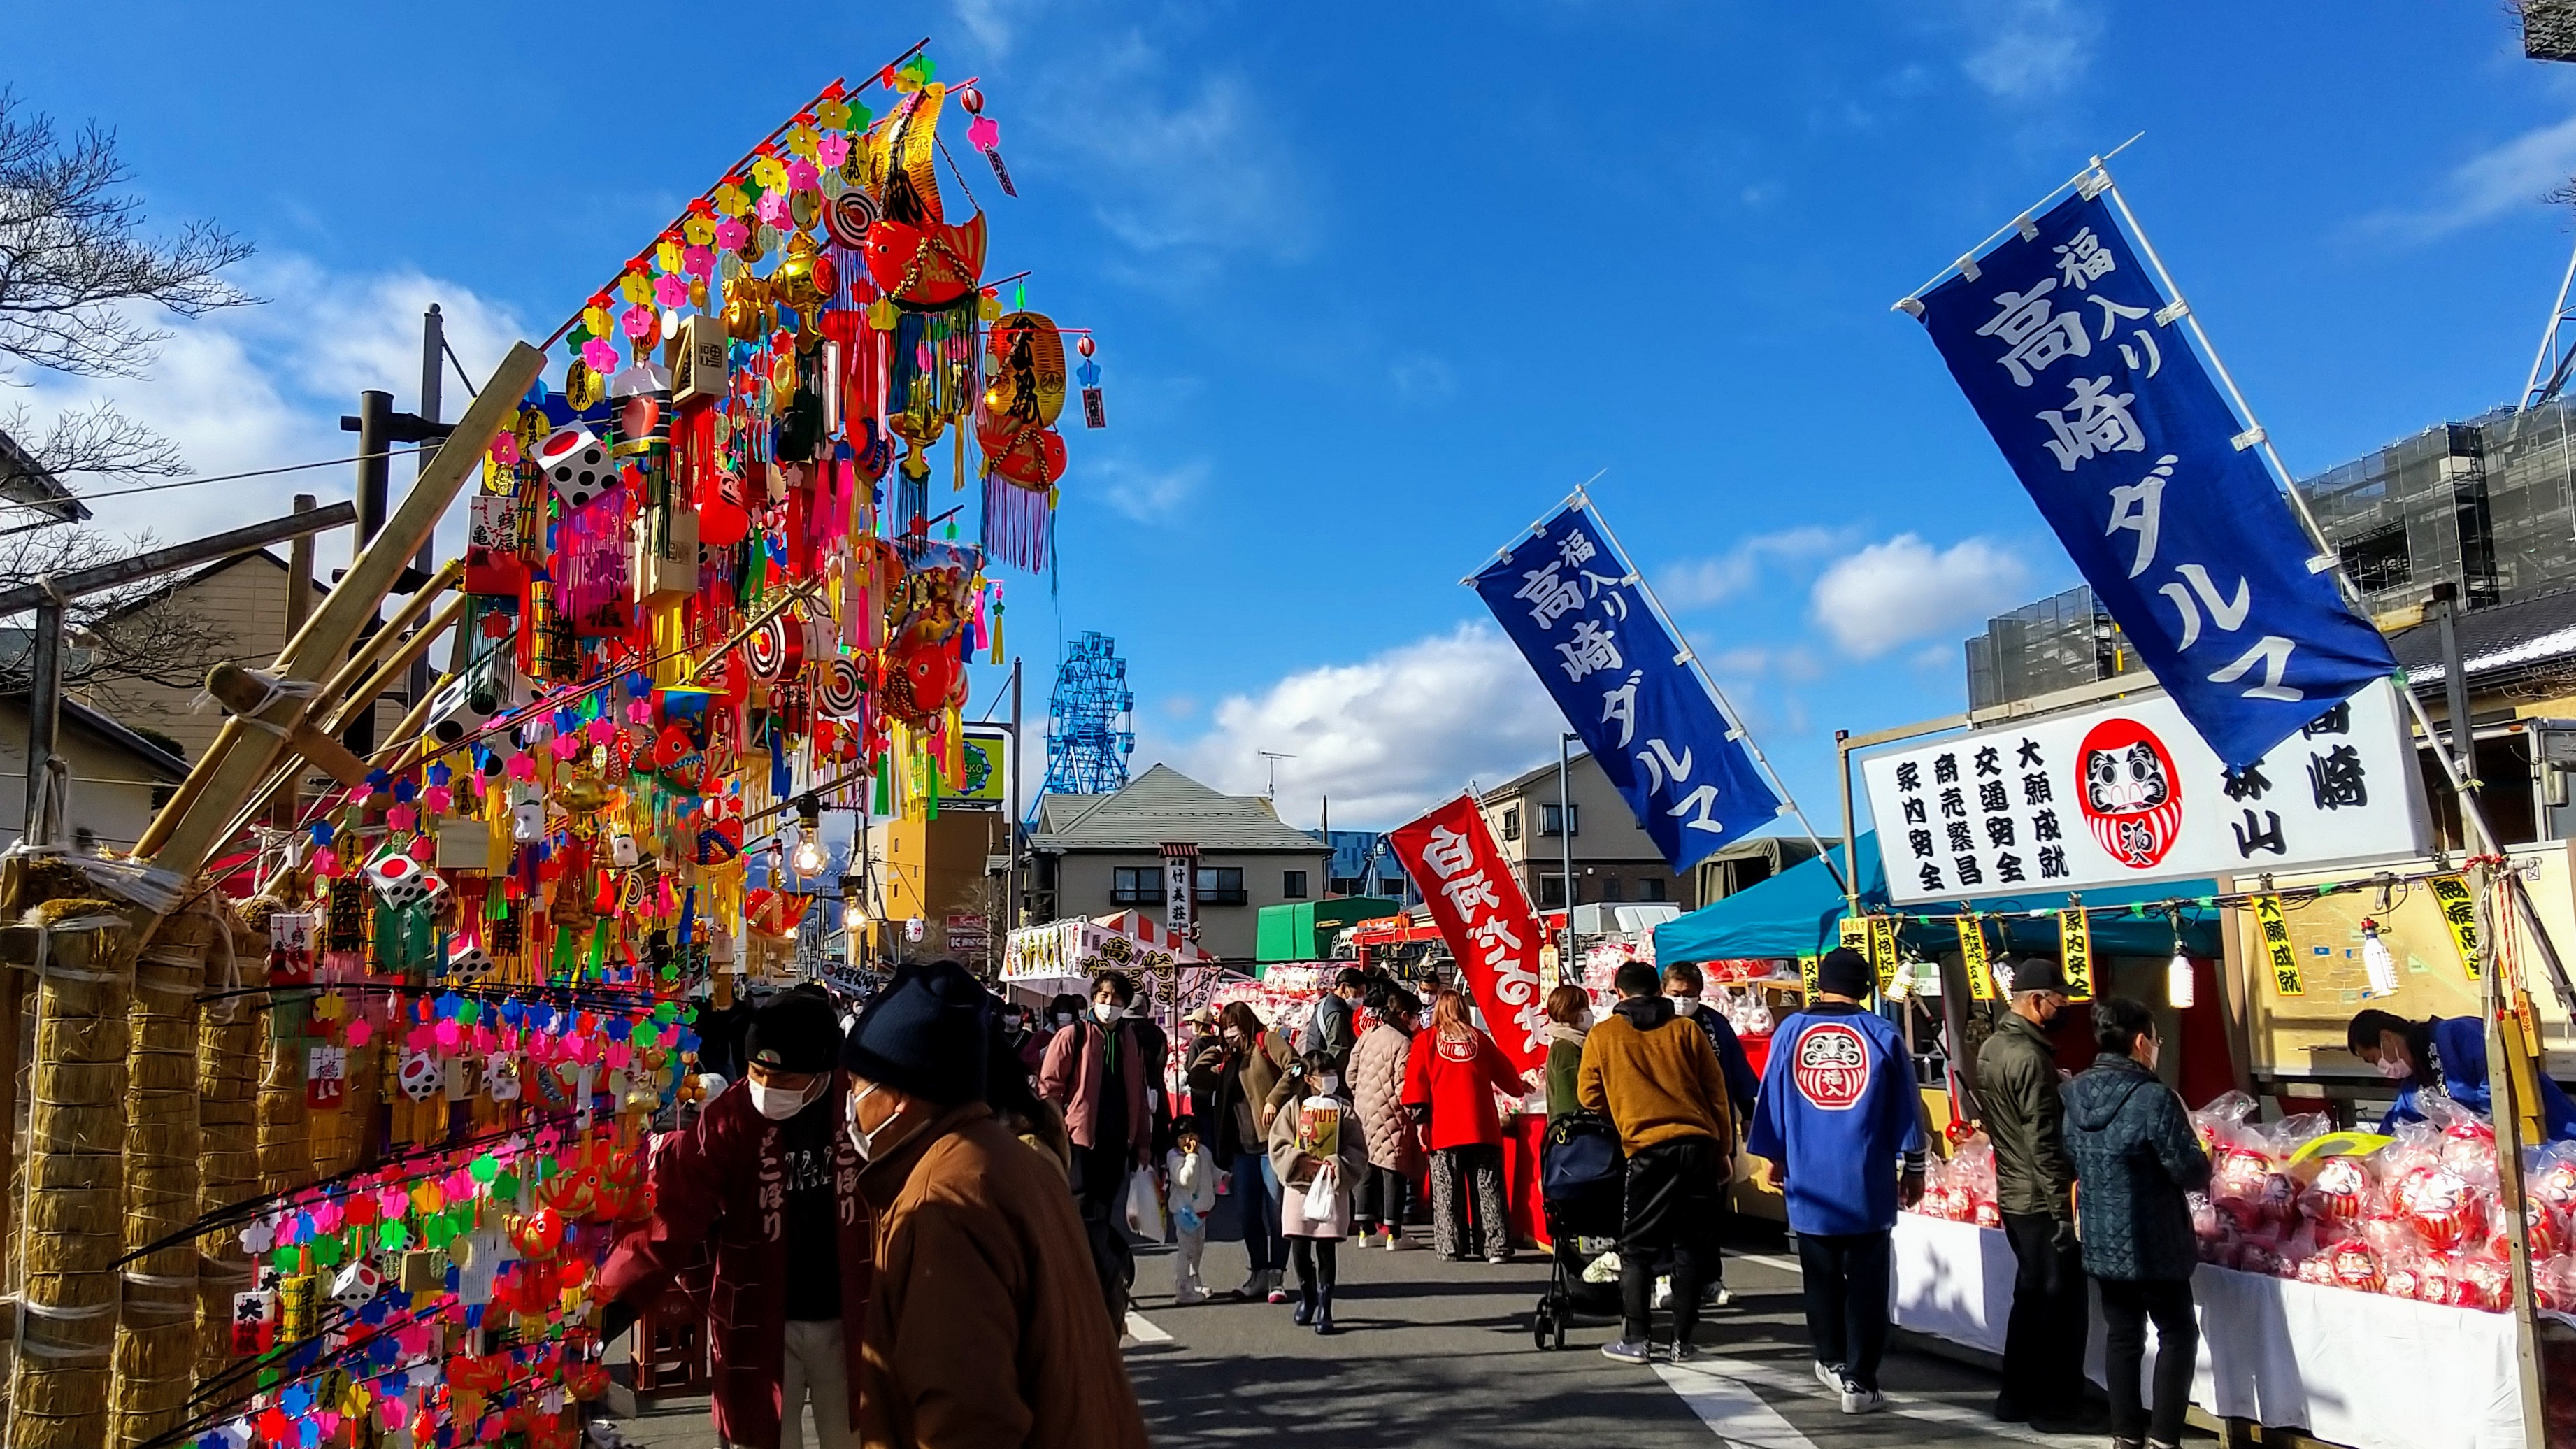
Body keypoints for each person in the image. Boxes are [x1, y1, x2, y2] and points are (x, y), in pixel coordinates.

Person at [840, 959, 1150, 1449]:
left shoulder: (944, 1202)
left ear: (899, 1096)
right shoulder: (1013, 1160)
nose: (852, 1106)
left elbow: (964, 1417)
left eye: (858, 1087)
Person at [602, 985, 871, 1449]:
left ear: (824, 1070)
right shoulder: (730, 1117)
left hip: (852, 1316)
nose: (767, 1087)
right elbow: (671, 1214)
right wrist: (612, 1304)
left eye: (783, 1078)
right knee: (759, 1436)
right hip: (759, 1317)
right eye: (756, 1072)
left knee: (857, 1435)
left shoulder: (862, 1105)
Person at [1745, 948, 1926, 1416]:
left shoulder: (1790, 1031)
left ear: (1819, 983)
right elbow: (1907, 1107)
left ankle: (1830, 1359)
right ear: (1864, 987)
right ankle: (1861, 1382)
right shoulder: (1881, 1033)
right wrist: (1916, 1167)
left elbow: (1771, 1097)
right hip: (1866, 1180)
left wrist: (1774, 1157)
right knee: (1868, 1284)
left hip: (1809, 1180)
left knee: (1820, 1278)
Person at [2065, 997, 2211, 1449]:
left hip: (2101, 1237)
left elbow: (2070, 1156)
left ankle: (2126, 1437)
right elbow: (2190, 1171)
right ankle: (2165, 1439)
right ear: (2143, 1041)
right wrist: (2205, 1154)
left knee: (2123, 1335)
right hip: (2155, 1238)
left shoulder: (2073, 1094)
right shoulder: (2153, 1098)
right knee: (2177, 1333)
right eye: (2157, 1040)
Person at [1577, 959, 1735, 1364]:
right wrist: (1723, 1149)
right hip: (1698, 1145)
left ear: (1618, 993)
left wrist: (1625, 1108)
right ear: (1660, 991)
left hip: (1647, 1148)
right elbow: (1716, 1093)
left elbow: (1588, 1095)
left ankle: (1636, 1337)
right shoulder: (1686, 1031)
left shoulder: (1604, 1034)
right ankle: (1683, 1340)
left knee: (1637, 1247)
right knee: (1690, 1245)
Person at [1975, 957, 2088, 1431]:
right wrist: (2064, 1210)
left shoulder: (1992, 1048)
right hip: (2039, 1197)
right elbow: (2043, 1141)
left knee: (2029, 1298)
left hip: (2013, 1191)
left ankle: (2015, 1397)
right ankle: (2055, 1408)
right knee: (2059, 1306)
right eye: (2059, 1001)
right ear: (2037, 1001)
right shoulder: (2030, 1058)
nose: (2063, 1009)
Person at [1038, 971, 1159, 1322]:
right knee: (1081, 1211)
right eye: (1104, 997)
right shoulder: (1073, 1035)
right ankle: (1086, 1280)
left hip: (1116, 1142)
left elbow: (1138, 1093)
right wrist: (1056, 1131)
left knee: (1103, 1211)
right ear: (1093, 998)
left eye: (1116, 998)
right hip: (1079, 1141)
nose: (1109, 1004)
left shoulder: (1130, 1039)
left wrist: (1143, 1142)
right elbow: (1049, 1088)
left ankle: (1095, 1280)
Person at [1402, 987, 1531, 1262]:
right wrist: (1521, 1086)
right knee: (1488, 1188)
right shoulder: (1479, 1039)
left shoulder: (1426, 1041)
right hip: (1482, 1126)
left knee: (1447, 1191)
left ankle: (1451, 1246)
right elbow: (1507, 1076)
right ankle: (1495, 1246)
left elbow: (1416, 1086)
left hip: (1444, 1128)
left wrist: (1421, 1122)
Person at [1186, 1001, 1295, 1301]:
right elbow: (1195, 1077)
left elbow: (1297, 1067)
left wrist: (1274, 1098)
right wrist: (1216, 1049)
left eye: (1233, 1026)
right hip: (1241, 1148)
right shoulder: (1228, 1058)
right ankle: (1258, 1272)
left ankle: (1276, 1275)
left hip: (1272, 1144)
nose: (1230, 1032)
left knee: (1277, 1213)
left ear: (1246, 1023)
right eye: (1225, 1027)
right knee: (1248, 1215)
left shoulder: (1266, 1041)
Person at [2347, 1007, 2576, 1140]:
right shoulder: (2416, 1082)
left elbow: (2502, 1079)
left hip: (2553, 1138)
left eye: (2374, 1059)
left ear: (2387, 1037)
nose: (2381, 1068)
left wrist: (2470, 1128)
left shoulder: (2455, 1033)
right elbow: (2399, 1122)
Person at [1268, 1052, 1369, 1334]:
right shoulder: (1294, 1108)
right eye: (1323, 1074)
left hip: (1330, 1187)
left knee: (1326, 1248)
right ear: (1309, 1079)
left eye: (1332, 1073)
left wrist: (1338, 1164)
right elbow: (1278, 1143)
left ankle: (1326, 1306)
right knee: (1299, 1246)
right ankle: (1308, 1295)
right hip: (1299, 1187)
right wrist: (1297, 1160)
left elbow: (1357, 1148)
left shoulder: (1344, 1109)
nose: (1329, 1079)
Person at [1348, 987, 1426, 1248]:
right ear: (1404, 1016)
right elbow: (1404, 1087)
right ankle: (1394, 1232)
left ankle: (1365, 1231)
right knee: (1394, 1170)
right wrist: (1417, 1114)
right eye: (1415, 1015)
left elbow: (1351, 1073)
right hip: (1392, 1114)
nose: (1417, 1021)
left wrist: (1363, 1095)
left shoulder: (1369, 1035)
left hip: (1365, 1110)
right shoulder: (1403, 1044)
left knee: (1367, 1168)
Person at [1661, 961, 1762, 1129]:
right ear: (1664, 991)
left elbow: (1738, 1069)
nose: (1682, 1001)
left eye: (1689, 994)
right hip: (1669, 1118)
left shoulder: (1716, 1023)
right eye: (1676, 994)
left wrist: (1748, 1114)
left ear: (1699, 993)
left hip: (1715, 1115)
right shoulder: (1655, 1025)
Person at [1166, 1114, 1219, 1305]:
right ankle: (1183, 1289)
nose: (1188, 1141)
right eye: (1182, 1137)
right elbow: (1186, 1180)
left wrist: (1222, 1177)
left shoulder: (1204, 1152)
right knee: (1187, 1251)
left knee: (1197, 1250)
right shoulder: (1175, 1157)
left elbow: (1211, 1171)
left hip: (1202, 1211)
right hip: (1185, 1213)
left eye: (1192, 1136)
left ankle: (1194, 1282)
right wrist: (1191, 1157)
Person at [1300, 965, 1369, 1069]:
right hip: (1324, 1069)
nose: (1361, 999)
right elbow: (1338, 1052)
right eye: (1359, 993)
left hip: (1316, 1064)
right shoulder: (1337, 1014)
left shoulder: (1325, 1003)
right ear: (1344, 988)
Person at [1543, 983, 1592, 1120]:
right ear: (1571, 1013)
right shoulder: (1566, 1048)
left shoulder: (1569, 1043)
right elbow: (1569, 1101)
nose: (1588, 1013)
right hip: (1576, 1127)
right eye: (1584, 1008)